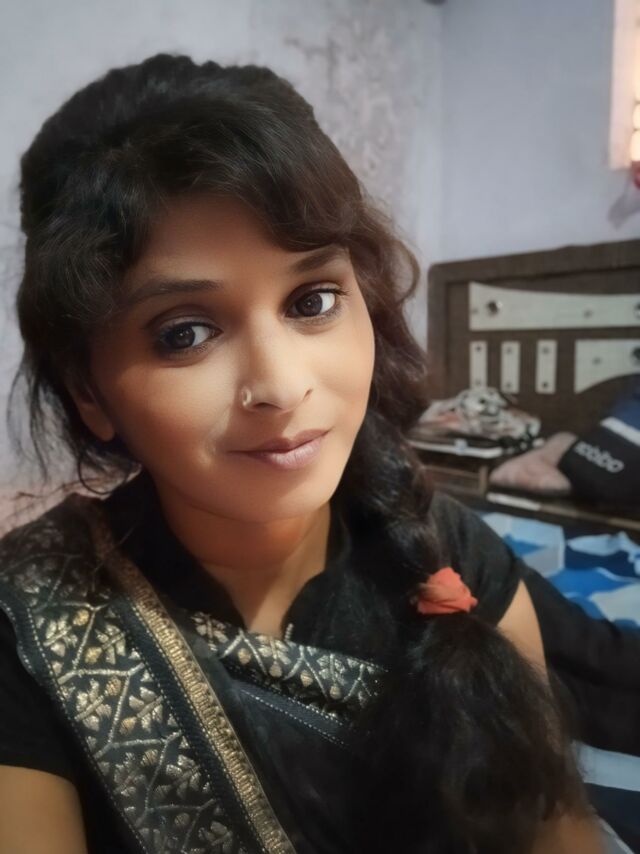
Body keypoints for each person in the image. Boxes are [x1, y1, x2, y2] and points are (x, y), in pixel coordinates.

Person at [0, 53, 606, 853]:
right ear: (88, 390)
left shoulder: (453, 556)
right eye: (185, 333)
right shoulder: (32, 621)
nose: (282, 387)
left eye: (312, 300)